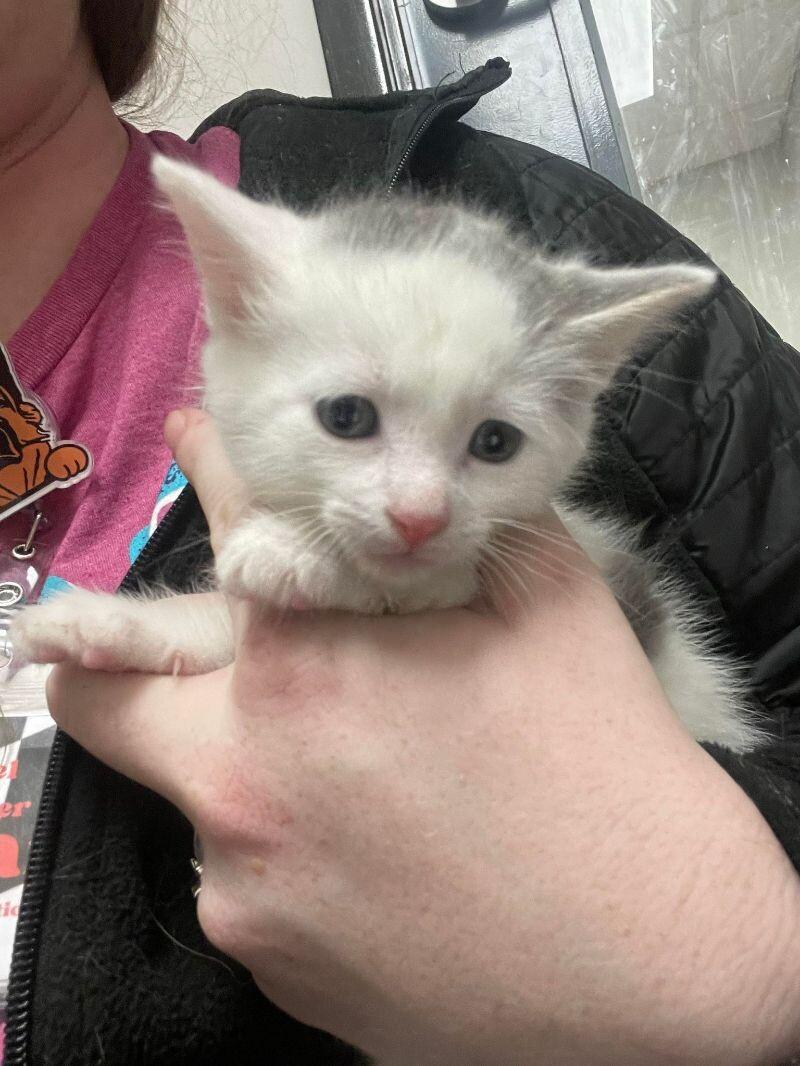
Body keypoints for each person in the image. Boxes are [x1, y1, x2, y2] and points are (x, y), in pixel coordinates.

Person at [2, 2, 800, 1064]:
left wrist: (749, 968)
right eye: (349, 417)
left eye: (492, 441)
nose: (419, 508)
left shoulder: (500, 204)